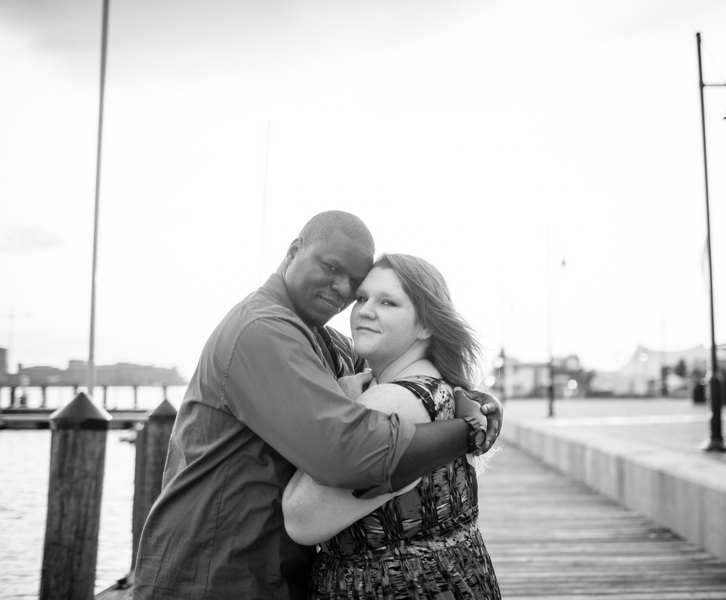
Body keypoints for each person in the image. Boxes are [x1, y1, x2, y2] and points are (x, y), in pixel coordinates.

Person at [134, 211, 502, 600]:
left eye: (355, 283)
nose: (343, 290)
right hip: (210, 573)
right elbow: (348, 453)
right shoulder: (262, 329)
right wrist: (468, 433)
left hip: (265, 570)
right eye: (331, 267)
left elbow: (394, 377)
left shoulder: (324, 341)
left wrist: (475, 399)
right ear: (295, 250)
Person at [282, 253, 502, 599]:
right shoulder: (436, 387)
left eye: (388, 302)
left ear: (426, 325)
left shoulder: (394, 402)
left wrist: (343, 405)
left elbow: (300, 518)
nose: (365, 310)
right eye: (362, 298)